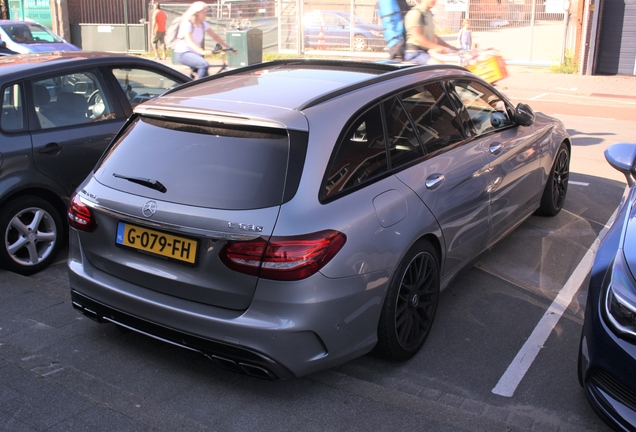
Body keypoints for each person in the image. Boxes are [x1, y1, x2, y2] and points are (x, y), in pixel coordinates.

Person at [173, 1, 232, 79]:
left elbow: (215, 36)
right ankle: (197, 89)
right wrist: (202, 51)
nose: (205, 15)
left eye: (206, 12)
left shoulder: (203, 24)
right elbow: (189, 41)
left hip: (195, 54)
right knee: (203, 65)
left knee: (207, 80)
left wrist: (228, 47)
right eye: (203, 13)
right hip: (183, 53)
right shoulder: (187, 24)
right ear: (197, 13)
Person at [403, 0, 457, 64]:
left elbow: (433, 37)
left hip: (424, 53)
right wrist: (436, 47)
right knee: (439, 67)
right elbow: (417, 37)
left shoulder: (428, 13)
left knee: (446, 68)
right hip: (413, 53)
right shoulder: (415, 12)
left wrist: (451, 48)